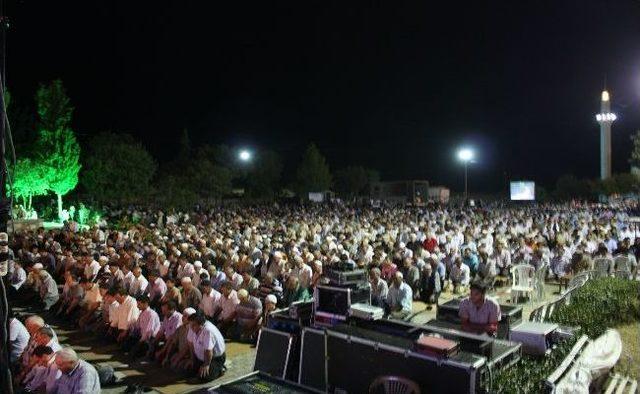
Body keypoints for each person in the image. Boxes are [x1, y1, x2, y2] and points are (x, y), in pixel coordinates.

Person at [185, 312, 226, 381]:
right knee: (187, 371)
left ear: (200, 324)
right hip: (201, 358)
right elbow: (190, 343)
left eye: (194, 325)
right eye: (190, 325)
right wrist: (192, 359)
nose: (191, 328)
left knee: (204, 376)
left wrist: (206, 364)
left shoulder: (208, 330)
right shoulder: (192, 326)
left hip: (214, 358)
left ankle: (220, 369)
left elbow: (209, 350)